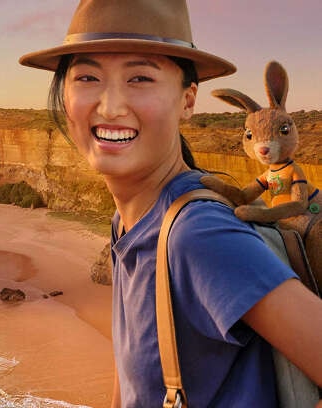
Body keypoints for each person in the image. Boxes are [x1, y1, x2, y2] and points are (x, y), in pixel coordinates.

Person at [19, 0, 322, 407]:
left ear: (188, 100)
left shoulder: (199, 236)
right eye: (87, 76)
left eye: (140, 78)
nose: (109, 106)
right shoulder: (130, 219)